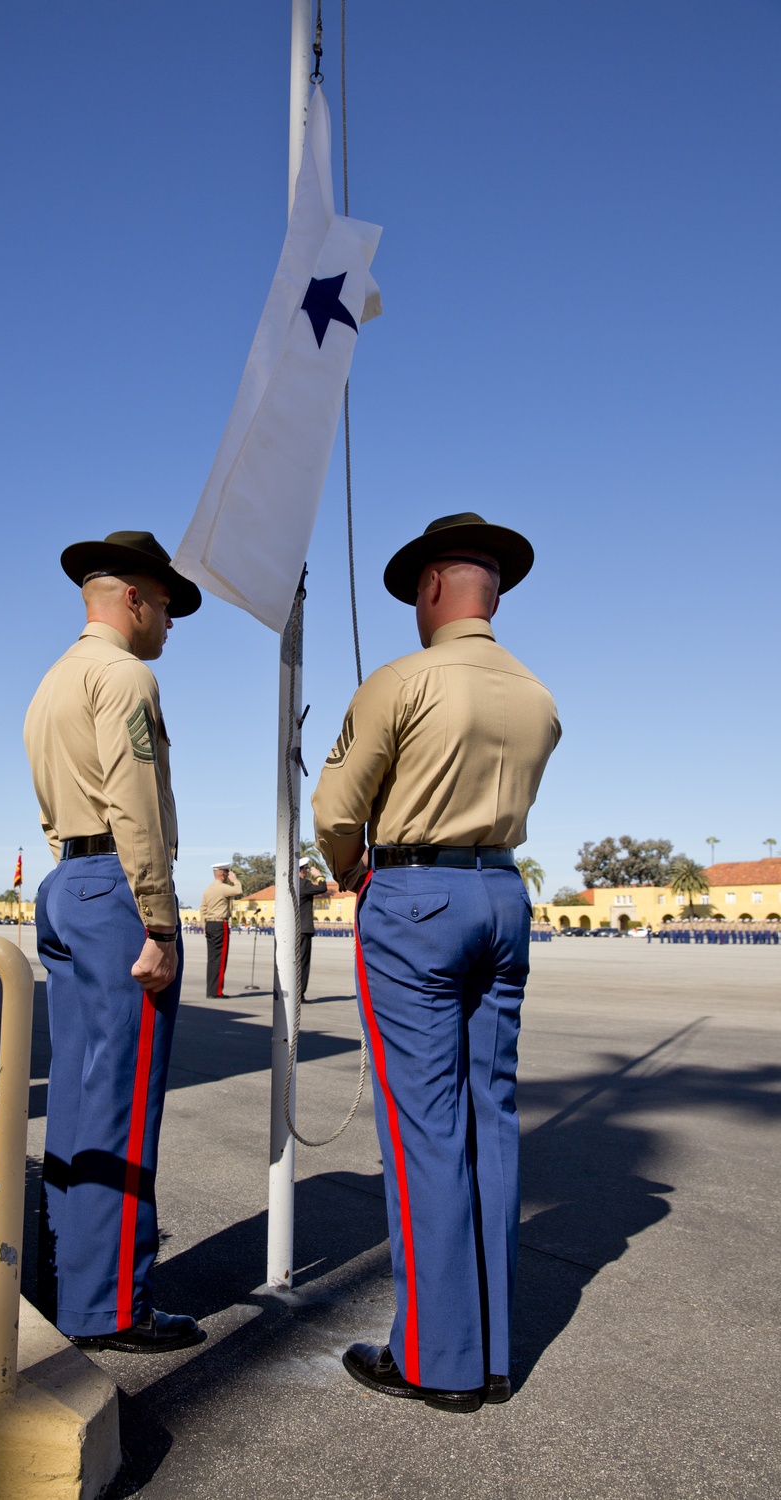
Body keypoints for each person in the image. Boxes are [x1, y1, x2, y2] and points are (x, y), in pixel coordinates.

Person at [312, 511, 561, 1413]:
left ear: (430, 590)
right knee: (490, 1116)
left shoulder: (403, 679)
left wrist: (349, 873)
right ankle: (492, 1352)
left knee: (425, 1126)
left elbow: (338, 809)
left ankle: (437, 1357)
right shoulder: (537, 692)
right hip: (502, 891)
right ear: (492, 591)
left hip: (417, 897)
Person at [24, 528, 204, 1354]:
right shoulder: (126, 675)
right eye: (166, 605)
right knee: (125, 1105)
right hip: (115, 889)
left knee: (77, 1097)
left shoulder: (54, 679)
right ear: (133, 596)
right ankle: (113, 1306)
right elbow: (132, 800)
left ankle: (62, 1279)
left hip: (66, 878)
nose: (170, 622)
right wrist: (160, 921)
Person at [199, 862, 244, 997]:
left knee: (212, 959)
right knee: (220, 958)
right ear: (224, 874)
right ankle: (216, 991)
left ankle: (211, 990)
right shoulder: (223, 888)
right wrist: (235, 880)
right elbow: (238, 890)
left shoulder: (208, 889)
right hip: (220, 925)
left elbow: (202, 909)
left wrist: (203, 926)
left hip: (209, 925)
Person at [298, 856, 328, 999]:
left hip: (292, 930)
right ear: (301, 871)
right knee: (303, 962)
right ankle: (300, 993)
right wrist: (319, 876)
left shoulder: (290, 884)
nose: (306, 872)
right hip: (303, 929)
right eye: (305, 869)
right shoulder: (303, 884)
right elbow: (322, 887)